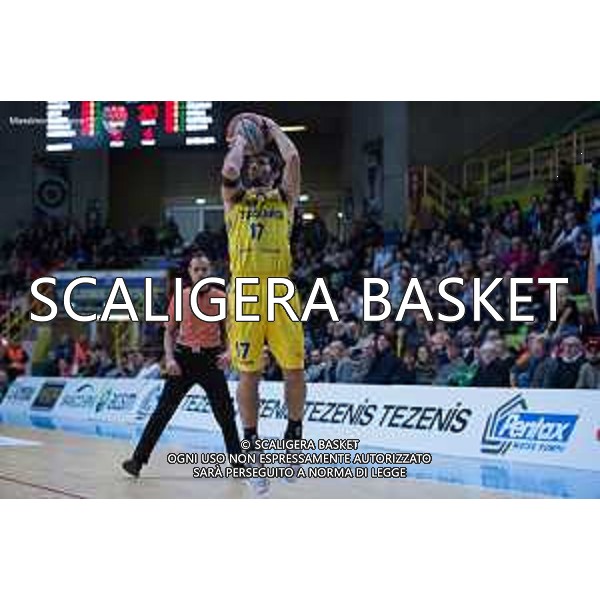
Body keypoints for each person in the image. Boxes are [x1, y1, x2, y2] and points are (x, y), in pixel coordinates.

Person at [221, 113, 305, 494]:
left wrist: (271, 128)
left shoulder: (284, 198)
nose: (255, 167)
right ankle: (252, 446)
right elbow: (229, 170)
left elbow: (293, 158)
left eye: (262, 163)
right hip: (245, 293)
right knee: (249, 374)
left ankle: (293, 437)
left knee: (294, 368)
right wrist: (241, 140)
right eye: (251, 164)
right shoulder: (234, 198)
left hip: (280, 291)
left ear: (271, 172)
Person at [121, 254, 242, 478]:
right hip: (183, 360)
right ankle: (137, 461)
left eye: (204, 269)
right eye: (197, 270)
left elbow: (233, 331)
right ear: (190, 272)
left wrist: (229, 352)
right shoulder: (181, 296)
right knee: (162, 412)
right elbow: (169, 332)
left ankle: (238, 465)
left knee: (225, 414)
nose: (201, 274)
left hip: (210, 360)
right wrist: (169, 359)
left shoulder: (221, 298)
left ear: (210, 271)